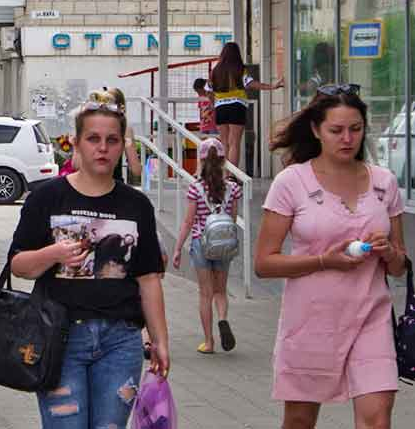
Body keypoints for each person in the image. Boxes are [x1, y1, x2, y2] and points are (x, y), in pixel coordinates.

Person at [9, 91, 169, 428]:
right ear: (77, 143)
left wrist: (160, 340)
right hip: (59, 338)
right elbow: (18, 266)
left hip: (121, 342)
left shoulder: (136, 205)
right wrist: (54, 253)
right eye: (93, 139)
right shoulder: (47, 197)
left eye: (112, 140)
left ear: (121, 145)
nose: (103, 148)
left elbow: (149, 278)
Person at [255, 84, 408, 429]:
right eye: (336, 130)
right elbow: (264, 263)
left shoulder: (384, 183)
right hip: (311, 322)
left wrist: (388, 252)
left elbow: (399, 267)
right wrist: (324, 260)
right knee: (300, 421)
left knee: (378, 419)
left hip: (371, 318)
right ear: (316, 130)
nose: (347, 139)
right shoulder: (291, 182)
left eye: (356, 129)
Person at [171, 138, 242, 354]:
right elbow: (232, 219)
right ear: (223, 161)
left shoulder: (195, 189)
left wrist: (177, 248)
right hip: (223, 244)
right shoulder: (233, 188)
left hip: (201, 243)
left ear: (201, 161)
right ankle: (223, 319)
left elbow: (188, 222)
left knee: (205, 294)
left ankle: (209, 342)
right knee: (221, 291)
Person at [207, 42, 284, 168]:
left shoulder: (215, 71)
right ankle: (232, 176)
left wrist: (213, 103)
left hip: (220, 107)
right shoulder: (240, 69)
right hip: (237, 106)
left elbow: (208, 90)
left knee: (224, 143)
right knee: (234, 143)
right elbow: (251, 84)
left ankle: (225, 175)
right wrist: (272, 86)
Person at [101, 88, 142, 181]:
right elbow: (136, 170)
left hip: (89, 185)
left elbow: (76, 164)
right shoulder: (125, 130)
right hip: (113, 184)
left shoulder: (90, 127)